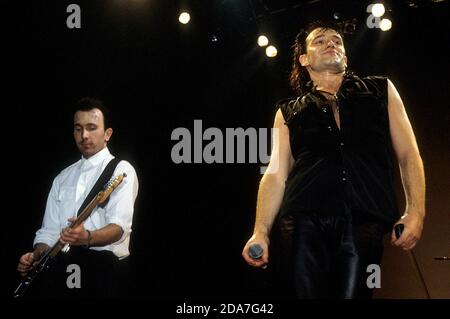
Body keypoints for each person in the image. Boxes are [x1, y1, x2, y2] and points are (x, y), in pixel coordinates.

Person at [242, 21, 425, 299]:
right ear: (304, 59)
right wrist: (260, 231)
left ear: (346, 57)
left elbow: (409, 154)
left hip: (364, 217)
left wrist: (416, 211)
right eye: (320, 41)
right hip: (303, 219)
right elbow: (275, 174)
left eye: (337, 40)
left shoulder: (381, 90)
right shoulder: (288, 112)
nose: (331, 43)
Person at [17, 97, 139, 298]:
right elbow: (48, 231)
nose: (84, 135)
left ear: (107, 133)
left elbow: (119, 228)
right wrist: (37, 255)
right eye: (78, 129)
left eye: (92, 128)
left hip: (104, 272)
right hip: (63, 271)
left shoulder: (121, 170)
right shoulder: (62, 178)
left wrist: (86, 238)